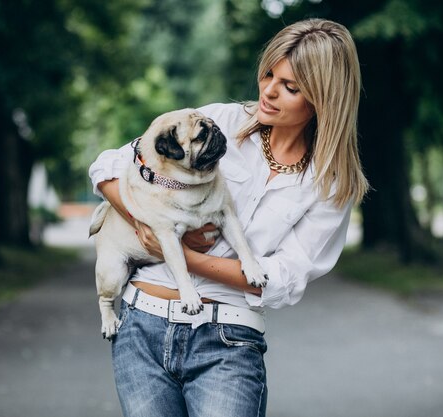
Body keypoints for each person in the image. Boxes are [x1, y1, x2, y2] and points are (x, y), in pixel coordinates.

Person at [88, 18, 368, 417]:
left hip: (228, 340)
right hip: (140, 328)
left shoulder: (329, 183)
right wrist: (146, 223)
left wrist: (182, 253)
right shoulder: (219, 119)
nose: (269, 91)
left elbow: (284, 278)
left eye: (291, 87)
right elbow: (109, 166)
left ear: (324, 99)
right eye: (268, 73)